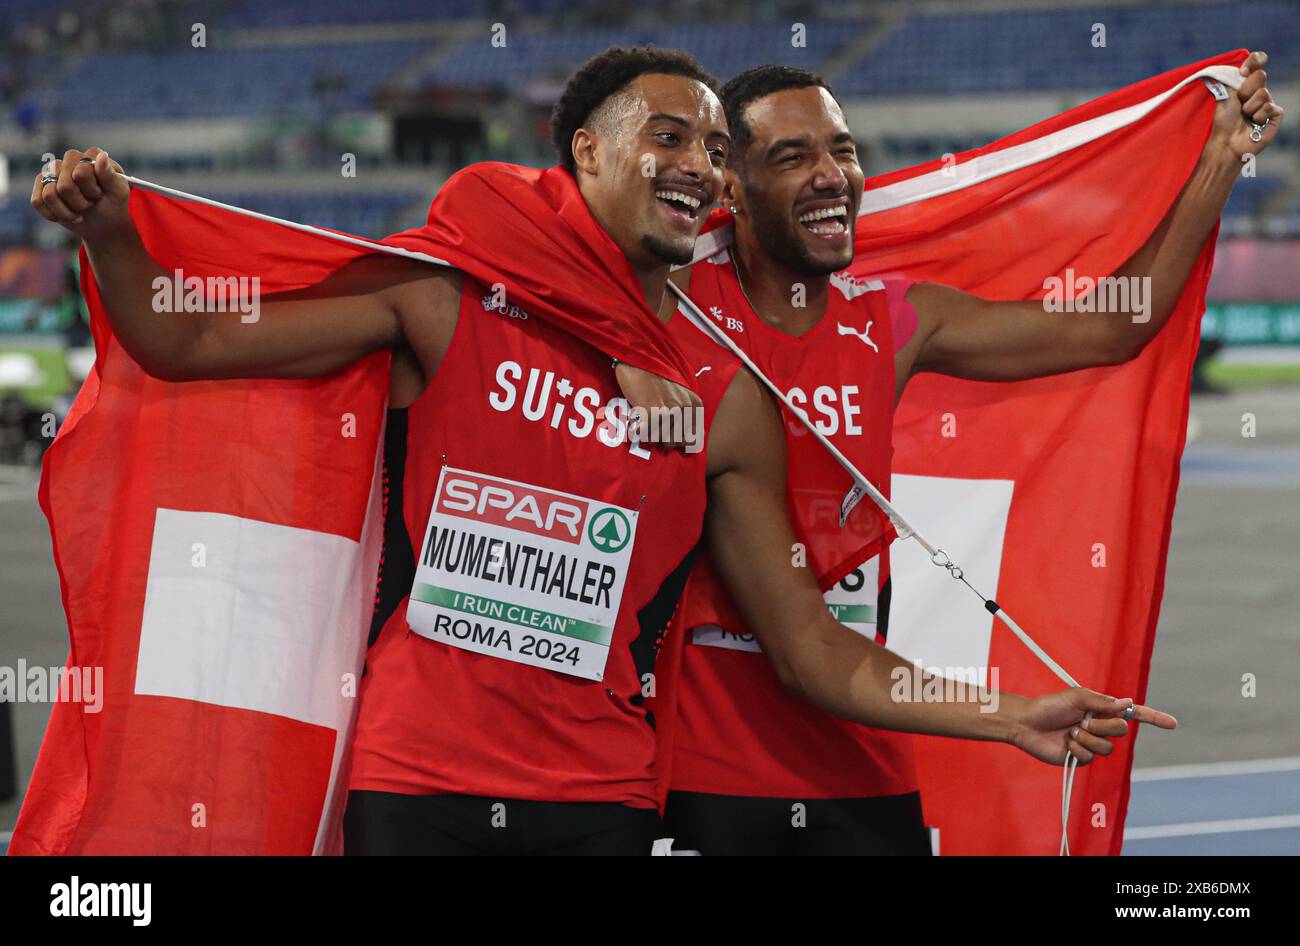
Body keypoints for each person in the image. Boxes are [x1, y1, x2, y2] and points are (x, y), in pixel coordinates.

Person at [30, 46, 1174, 856]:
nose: (696, 160)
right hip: (417, 780)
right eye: (665, 134)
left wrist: (1007, 712)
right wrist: (114, 228)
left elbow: (812, 650)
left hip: (606, 798)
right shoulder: (449, 299)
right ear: (586, 150)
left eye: (715, 148)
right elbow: (179, 338)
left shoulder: (718, 403)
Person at [661, 55, 1280, 855]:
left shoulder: (894, 321)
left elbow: (1110, 326)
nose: (830, 176)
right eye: (793, 157)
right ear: (730, 185)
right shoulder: (667, 316)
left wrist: (1219, 162)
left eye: (842, 151)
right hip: (708, 766)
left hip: (861, 761)